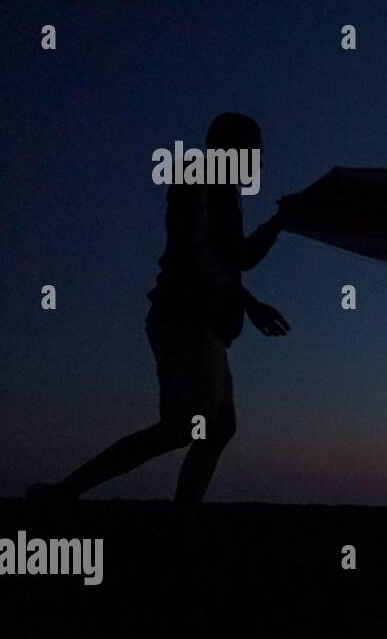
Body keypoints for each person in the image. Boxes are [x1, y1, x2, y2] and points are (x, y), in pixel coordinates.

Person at [28, 113, 289, 506]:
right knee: (186, 426)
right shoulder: (198, 179)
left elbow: (228, 261)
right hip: (185, 321)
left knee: (216, 427)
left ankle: (171, 510)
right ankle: (64, 494)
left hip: (203, 324)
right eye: (253, 149)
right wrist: (278, 229)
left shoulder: (220, 188)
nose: (259, 160)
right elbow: (203, 255)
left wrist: (252, 291)